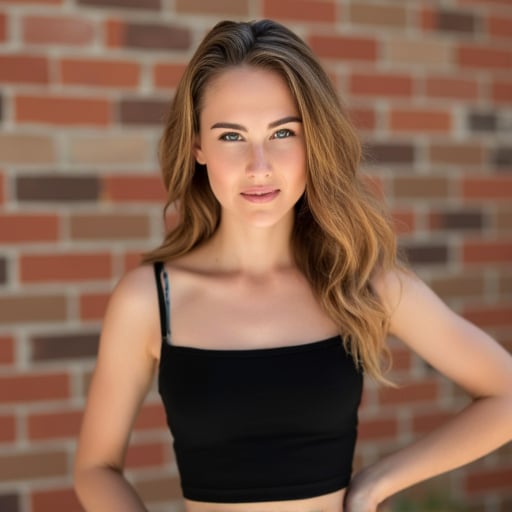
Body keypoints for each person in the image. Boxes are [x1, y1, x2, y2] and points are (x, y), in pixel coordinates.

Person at [73, 19, 512, 512]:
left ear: (313, 142)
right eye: (232, 137)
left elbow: (506, 395)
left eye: (282, 132)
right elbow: (95, 468)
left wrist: (374, 484)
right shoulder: (150, 299)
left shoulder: (360, 281)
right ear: (198, 146)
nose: (259, 165)